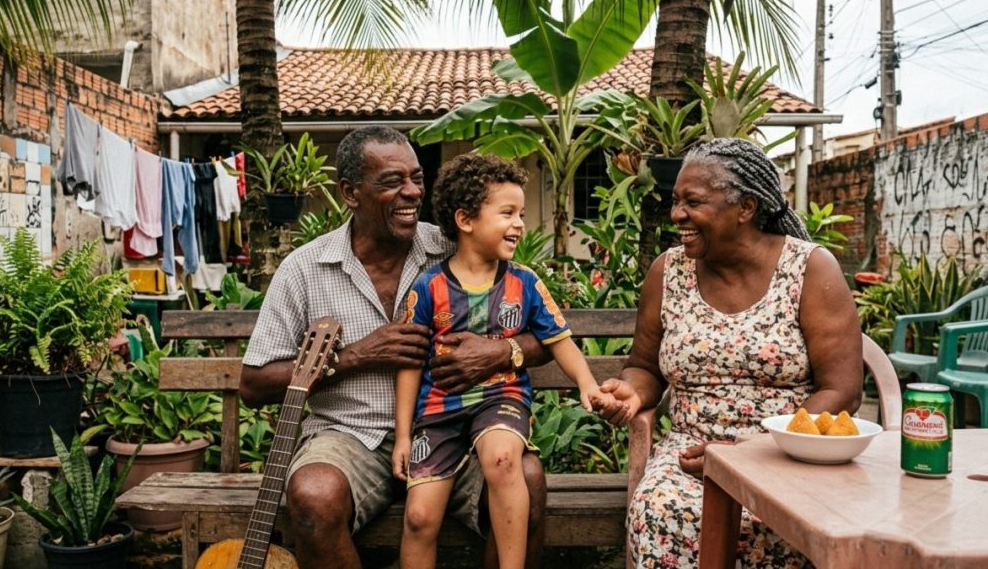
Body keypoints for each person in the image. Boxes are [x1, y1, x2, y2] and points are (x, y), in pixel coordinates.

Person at [239, 127, 549, 568]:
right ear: (350, 192)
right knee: (313, 493)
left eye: (416, 179)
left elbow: (546, 332)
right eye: (391, 182)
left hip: (454, 428)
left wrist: (499, 353)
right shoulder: (304, 269)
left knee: (528, 477)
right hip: (349, 436)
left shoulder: (454, 245)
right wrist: (357, 355)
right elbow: (253, 383)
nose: (411, 193)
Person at [593, 138, 863, 568]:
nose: (677, 214)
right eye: (676, 201)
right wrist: (631, 392)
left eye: (693, 202)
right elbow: (644, 366)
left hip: (788, 455)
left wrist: (756, 450)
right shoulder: (669, 271)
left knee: (794, 522)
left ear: (746, 207)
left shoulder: (809, 269)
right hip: (691, 458)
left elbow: (843, 389)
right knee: (660, 512)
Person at [391, 154, 609, 569]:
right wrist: (404, 436)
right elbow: (409, 363)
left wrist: (586, 382)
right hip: (439, 412)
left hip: (501, 398)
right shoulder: (428, 286)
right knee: (419, 517)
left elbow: (559, 340)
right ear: (466, 220)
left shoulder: (524, 282)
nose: (519, 224)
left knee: (504, 459)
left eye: (521, 213)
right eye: (507, 213)